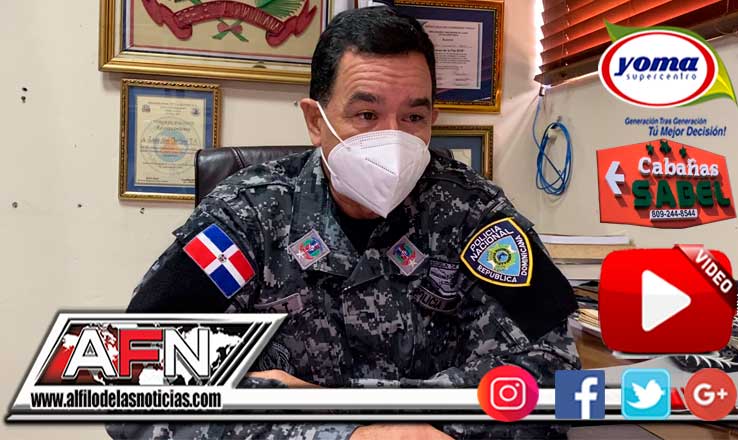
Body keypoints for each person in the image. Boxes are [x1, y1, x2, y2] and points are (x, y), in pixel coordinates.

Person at [107, 6, 579, 439]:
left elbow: (558, 377)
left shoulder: (475, 214)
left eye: (414, 116)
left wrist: (335, 404)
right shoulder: (246, 217)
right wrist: (344, 434)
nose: (393, 138)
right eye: (366, 114)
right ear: (316, 122)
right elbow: (134, 380)